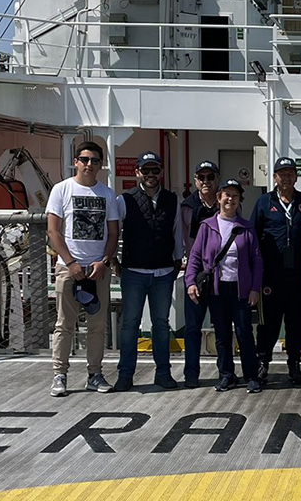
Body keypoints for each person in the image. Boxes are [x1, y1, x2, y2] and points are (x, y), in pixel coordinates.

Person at [45, 141, 122, 397]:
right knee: (64, 323)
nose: (89, 165)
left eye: (95, 161)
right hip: (69, 267)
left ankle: (95, 373)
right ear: (76, 161)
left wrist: (105, 260)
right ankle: (60, 374)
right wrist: (70, 263)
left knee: (97, 325)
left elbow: (113, 232)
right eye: (85, 159)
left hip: (97, 269)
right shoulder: (61, 189)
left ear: (101, 165)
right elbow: (53, 231)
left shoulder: (107, 194)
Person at [185, 179, 267, 393]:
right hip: (216, 288)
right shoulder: (207, 226)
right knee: (221, 334)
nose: (230, 199)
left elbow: (257, 261)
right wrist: (190, 282)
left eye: (235, 195)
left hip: (240, 289)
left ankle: (251, 375)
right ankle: (226, 375)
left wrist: (255, 288)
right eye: (227, 195)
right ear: (219, 197)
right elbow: (195, 257)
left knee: (244, 333)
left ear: (240, 200)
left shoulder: (247, 227)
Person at [113, 151, 183, 392]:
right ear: (137, 172)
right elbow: (114, 230)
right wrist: (113, 259)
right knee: (130, 324)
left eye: (155, 170)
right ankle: (125, 375)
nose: (151, 175)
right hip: (133, 272)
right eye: (146, 170)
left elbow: (177, 233)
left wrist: (177, 259)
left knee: (161, 324)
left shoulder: (172, 200)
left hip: (163, 272)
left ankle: (163, 373)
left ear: (161, 172)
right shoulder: (125, 200)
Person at [253, 156, 301, 387]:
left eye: (290, 173)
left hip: (297, 274)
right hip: (271, 274)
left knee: (296, 321)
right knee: (268, 322)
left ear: (296, 177)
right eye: (282, 173)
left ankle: (294, 364)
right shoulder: (264, 202)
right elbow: (255, 236)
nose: (286, 177)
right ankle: (263, 363)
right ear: (275, 177)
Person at [177, 160, 222, 388]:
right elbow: (184, 239)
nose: (206, 181)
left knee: (222, 327)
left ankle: (225, 372)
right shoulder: (187, 207)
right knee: (193, 328)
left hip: (222, 273)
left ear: (217, 179)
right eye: (201, 177)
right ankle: (191, 374)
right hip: (196, 273)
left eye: (210, 177)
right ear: (196, 181)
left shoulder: (226, 201)